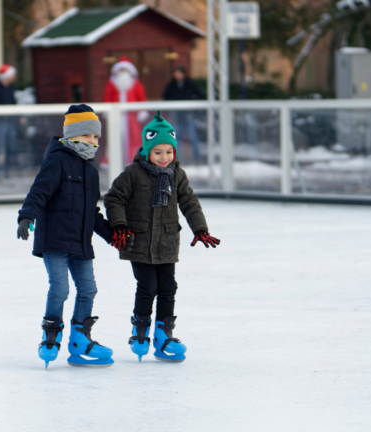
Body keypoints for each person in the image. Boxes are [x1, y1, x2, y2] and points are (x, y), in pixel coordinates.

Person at [104, 111, 220, 363]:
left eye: (169, 151)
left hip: (167, 241)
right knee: (148, 287)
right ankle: (140, 331)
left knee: (168, 287)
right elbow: (113, 198)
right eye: (158, 152)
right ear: (147, 151)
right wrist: (120, 226)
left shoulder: (177, 175)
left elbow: (189, 202)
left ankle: (164, 334)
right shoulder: (133, 173)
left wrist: (200, 228)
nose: (164, 157)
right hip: (139, 241)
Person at [16, 104, 115, 368]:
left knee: (88, 289)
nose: (93, 142)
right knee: (60, 289)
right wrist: (27, 215)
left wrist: (113, 237)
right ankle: (50, 336)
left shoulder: (91, 172)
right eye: (87, 136)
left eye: (96, 137)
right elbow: (40, 190)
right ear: (71, 135)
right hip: (56, 241)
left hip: (80, 242)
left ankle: (80, 339)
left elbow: (92, 213)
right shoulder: (57, 160)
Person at [103, 56, 149, 163]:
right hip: (116, 115)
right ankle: (113, 161)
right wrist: (107, 111)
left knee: (134, 137)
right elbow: (107, 97)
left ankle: (134, 159)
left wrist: (142, 110)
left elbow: (141, 97)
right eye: (121, 70)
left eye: (125, 70)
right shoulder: (112, 83)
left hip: (131, 115)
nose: (123, 72)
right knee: (114, 137)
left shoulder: (136, 83)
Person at [162, 65, 205, 162]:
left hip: (188, 114)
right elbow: (165, 96)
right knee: (176, 137)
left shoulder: (190, 84)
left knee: (193, 136)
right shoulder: (171, 85)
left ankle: (197, 157)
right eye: (176, 73)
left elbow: (200, 95)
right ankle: (176, 157)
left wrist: (193, 105)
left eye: (179, 73)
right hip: (177, 115)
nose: (177, 75)